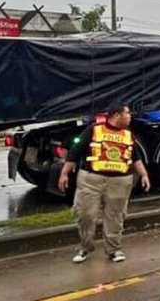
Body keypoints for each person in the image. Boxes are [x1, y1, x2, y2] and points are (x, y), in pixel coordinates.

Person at [59, 103, 151, 264]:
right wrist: (64, 173)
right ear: (116, 115)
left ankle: (114, 250)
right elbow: (75, 152)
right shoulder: (93, 130)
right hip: (90, 180)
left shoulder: (128, 135)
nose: (130, 117)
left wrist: (144, 174)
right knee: (85, 215)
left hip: (119, 182)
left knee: (115, 217)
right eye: (127, 113)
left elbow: (135, 158)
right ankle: (85, 248)